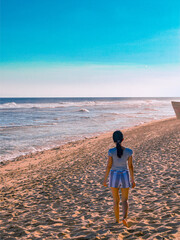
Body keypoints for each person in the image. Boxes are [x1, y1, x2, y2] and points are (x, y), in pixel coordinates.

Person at [103, 130, 136, 227]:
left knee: (115, 200)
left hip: (114, 176)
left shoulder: (111, 152)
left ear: (113, 140)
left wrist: (105, 179)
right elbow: (130, 166)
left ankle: (117, 220)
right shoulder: (129, 151)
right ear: (123, 139)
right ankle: (124, 218)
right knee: (125, 200)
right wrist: (132, 180)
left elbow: (109, 166)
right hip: (125, 175)